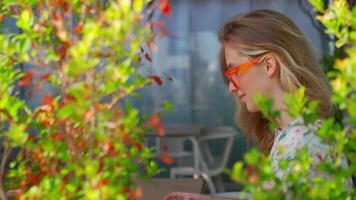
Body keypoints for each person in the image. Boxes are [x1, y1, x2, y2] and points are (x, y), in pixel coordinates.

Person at [164, 9, 350, 200]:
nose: (231, 88)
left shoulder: (300, 146)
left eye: (234, 71)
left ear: (268, 65)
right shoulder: (297, 133)